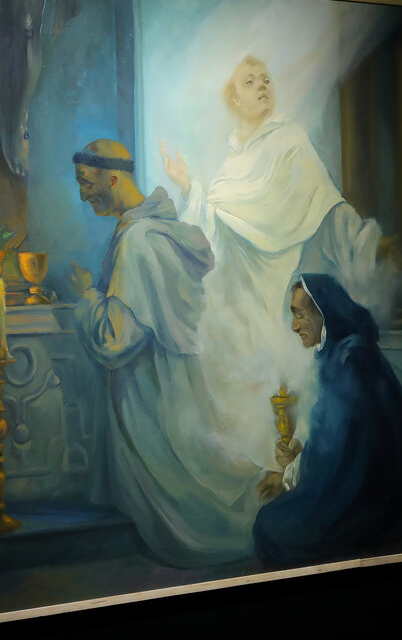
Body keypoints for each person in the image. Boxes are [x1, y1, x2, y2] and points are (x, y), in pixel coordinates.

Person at [159, 56, 385, 474]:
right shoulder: (233, 162)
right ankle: (270, 471)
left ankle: (293, 471)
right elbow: (213, 230)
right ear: (233, 97)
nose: (262, 85)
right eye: (249, 81)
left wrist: (362, 240)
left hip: (280, 286)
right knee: (239, 386)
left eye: (265, 79)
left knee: (285, 381)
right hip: (240, 295)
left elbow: (326, 203)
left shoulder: (291, 140)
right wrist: (189, 186)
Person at [71, 139, 261, 567]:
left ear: (113, 179)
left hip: (147, 395)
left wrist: (86, 294)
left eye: (85, 182)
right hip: (170, 383)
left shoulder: (139, 240)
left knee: (184, 507)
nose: (82, 194)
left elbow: (115, 339)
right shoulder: (156, 229)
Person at [251, 273, 402, 567]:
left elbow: (344, 455)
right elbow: (337, 438)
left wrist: (289, 478)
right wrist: (298, 462)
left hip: (373, 496)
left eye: (300, 314)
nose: (294, 326)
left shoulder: (351, 361)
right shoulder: (341, 353)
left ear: (324, 313)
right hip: (360, 482)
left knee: (269, 527)